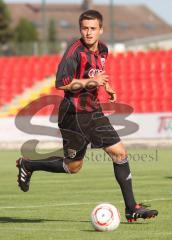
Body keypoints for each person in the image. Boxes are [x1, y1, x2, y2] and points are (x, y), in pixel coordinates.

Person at [16, 9, 158, 222]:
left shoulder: (103, 50)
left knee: (114, 155)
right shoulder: (74, 51)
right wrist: (91, 83)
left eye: (93, 28)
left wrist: (107, 86)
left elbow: (97, 74)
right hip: (73, 114)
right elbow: (61, 83)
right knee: (74, 167)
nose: (88, 32)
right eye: (85, 28)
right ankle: (29, 165)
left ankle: (131, 209)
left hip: (93, 110)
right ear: (80, 29)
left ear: (101, 29)